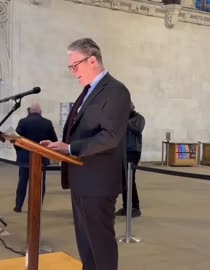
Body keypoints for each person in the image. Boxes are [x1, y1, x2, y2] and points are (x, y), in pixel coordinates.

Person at [41, 38, 131, 270]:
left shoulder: (116, 91)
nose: (73, 72)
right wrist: (62, 146)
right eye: (70, 67)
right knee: (86, 244)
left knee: (100, 245)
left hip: (99, 182)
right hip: (81, 178)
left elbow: (110, 136)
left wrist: (70, 149)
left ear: (92, 60)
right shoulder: (88, 91)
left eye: (75, 65)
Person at [14, 102, 57, 212]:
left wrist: (19, 152)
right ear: (40, 111)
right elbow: (54, 140)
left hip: (25, 158)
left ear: (29, 111)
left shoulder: (23, 122)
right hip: (41, 158)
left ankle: (18, 206)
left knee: (22, 182)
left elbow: (16, 140)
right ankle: (37, 207)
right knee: (39, 183)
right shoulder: (47, 123)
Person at [115, 102, 145, 218]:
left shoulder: (140, 118)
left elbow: (137, 130)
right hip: (122, 152)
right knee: (124, 180)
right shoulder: (122, 119)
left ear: (132, 107)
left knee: (130, 180)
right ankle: (126, 206)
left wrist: (124, 122)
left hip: (133, 152)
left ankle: (135, 207)